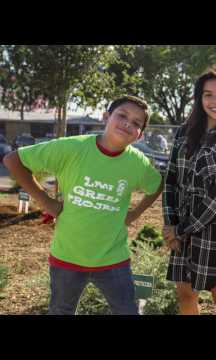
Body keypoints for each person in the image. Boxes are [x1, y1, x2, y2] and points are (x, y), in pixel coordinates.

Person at [3, 95, 163, 315]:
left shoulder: (138, 163)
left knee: (128, 311)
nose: (128, 123)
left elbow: (157, 185)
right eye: (122, 115)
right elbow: (13, 160)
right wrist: (46, 201)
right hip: (67, 257)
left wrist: (135, 213)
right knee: (61, 311)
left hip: (113, 260)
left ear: (140, 135)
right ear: (106, 117)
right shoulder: (72, 148)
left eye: (136, 123)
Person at [162, 65, 216, 315]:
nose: (215, 101)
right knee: (185, 293)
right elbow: (171, 180)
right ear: (199, 99)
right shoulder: (183, 133)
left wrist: (181, 230)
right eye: (207, 94)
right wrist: (170, 223)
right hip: (181, 225)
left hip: (215, 226)